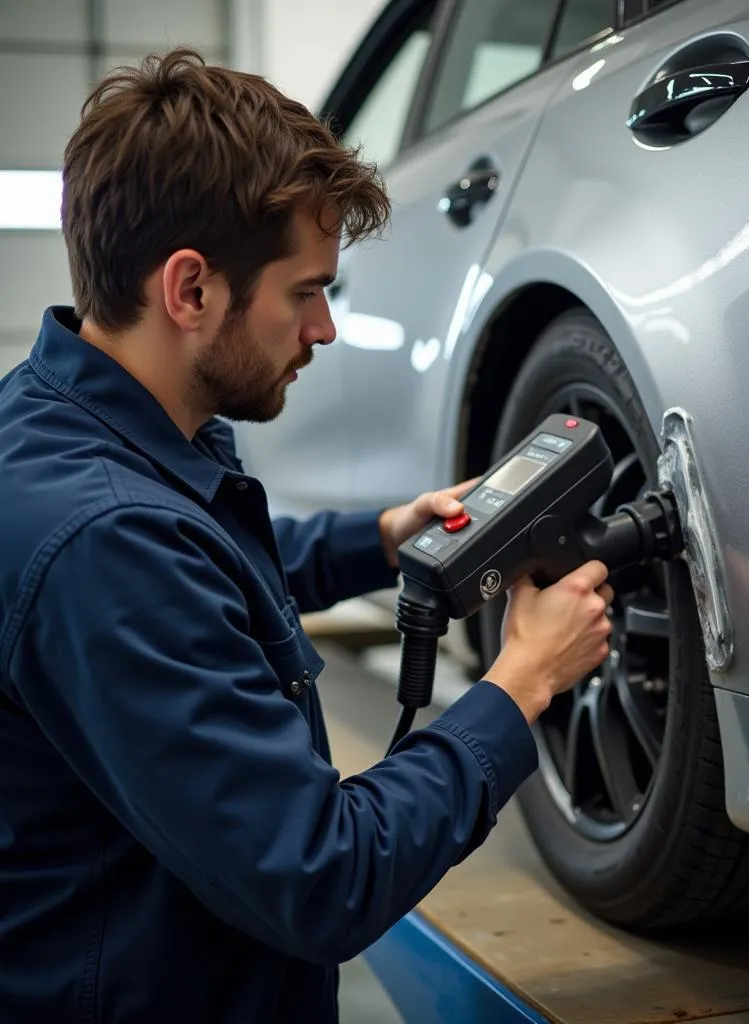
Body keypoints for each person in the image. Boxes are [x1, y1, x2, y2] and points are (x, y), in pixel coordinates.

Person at [0, 49, 613, 1023]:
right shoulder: (104, 545)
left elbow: (195, 572)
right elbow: (322, 875)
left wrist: (379, 537)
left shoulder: (57, 427)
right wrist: (521, 683)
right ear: (189, 290)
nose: (324, 327)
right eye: (305, 290)